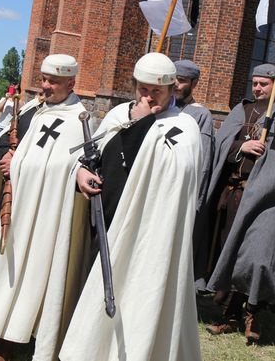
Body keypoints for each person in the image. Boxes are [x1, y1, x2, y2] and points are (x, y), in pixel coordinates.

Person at [0, 54, 90, 361]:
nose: (46, 86)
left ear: (71, 83)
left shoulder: (79, 119)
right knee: (5, 264)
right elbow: (11, 141)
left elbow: (69, 165)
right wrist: (9, 155)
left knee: (32, 273)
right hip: (16, 204)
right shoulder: (36, 108)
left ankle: (11, 341)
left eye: (54, 82)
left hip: (45, 215)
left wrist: (18, 162)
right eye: (44, 79)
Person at [59, 52, 202, 361]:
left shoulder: (183, 126)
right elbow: (89, 154)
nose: (148, 97)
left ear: (171, 90)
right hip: (107, 222)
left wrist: (142, 124)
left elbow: (176, 174)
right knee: (97, 294)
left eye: (156, 92)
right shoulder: (118, 114)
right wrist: (80, 171)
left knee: (136, 299)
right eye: (143, 89)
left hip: (148, 234)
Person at [204, 63, 275, 344]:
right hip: (235, 196)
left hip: (269, 202)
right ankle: (230, 315)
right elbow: (220, 145)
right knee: (232, 256)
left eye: (264, 84)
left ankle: (253, 314)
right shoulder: (241, 111)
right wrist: (241, 147)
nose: (258, 88)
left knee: (256, 258)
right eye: (255, 83)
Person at [173, 60, 215, 291]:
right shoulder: (159, 108)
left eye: (182, 81)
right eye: (174, 79)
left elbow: (203, 162)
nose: (176, 85)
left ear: (194, 83)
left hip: (182, 193)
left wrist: (195, 200)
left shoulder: (200, 115)